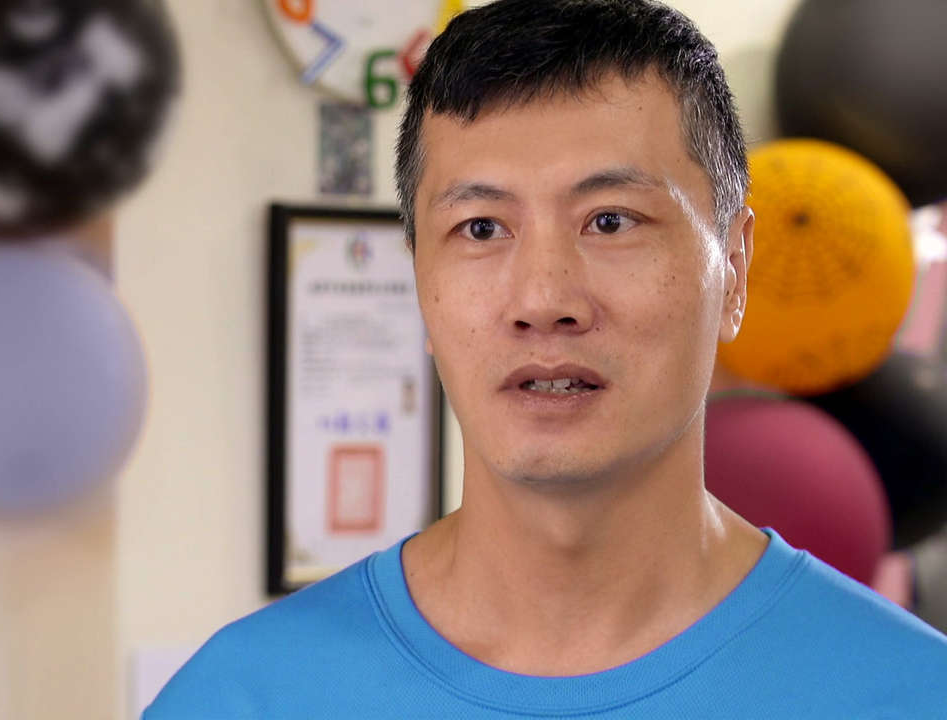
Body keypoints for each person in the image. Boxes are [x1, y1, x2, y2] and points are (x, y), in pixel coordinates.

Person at [146, 1, 947, 716]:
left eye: (610, 221)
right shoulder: (243, 695)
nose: (543, 297)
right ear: (419, 281)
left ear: (734, 269)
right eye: (481, 228)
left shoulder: (909, 692)